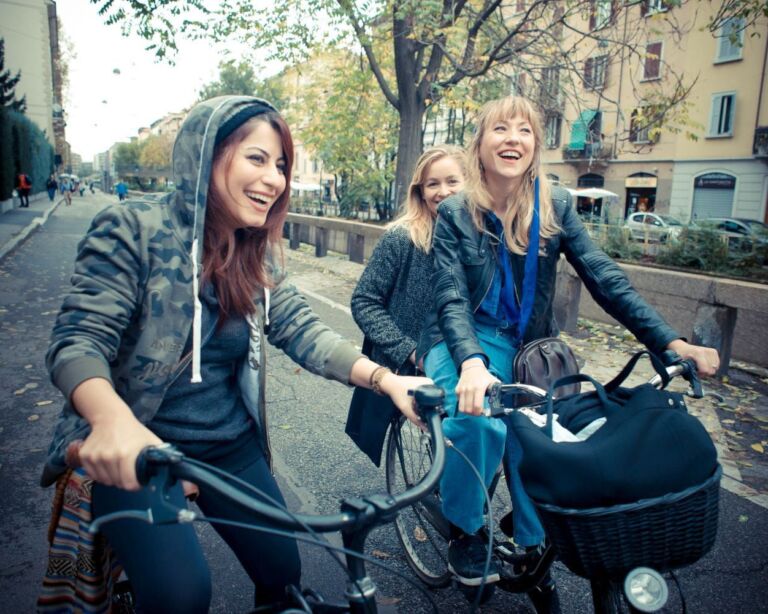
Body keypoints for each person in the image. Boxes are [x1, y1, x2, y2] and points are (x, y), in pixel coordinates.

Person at [40, 96, 429, 613]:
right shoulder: (132, 228)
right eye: (257, 158)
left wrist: (386, 379)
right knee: (181, 596)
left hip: (229, 446)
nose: (274, 179)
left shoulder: (256, 250)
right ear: (207, 153)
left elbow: (302, 329)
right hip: (142, 453)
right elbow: (78, 339)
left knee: (283, 573)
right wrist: (113, 424)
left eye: (282, 165)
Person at [417, 96, 720, 594]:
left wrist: (669, 342)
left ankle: (534, 533)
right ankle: (467, 531)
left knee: (561, 434)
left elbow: (604, 277)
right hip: (464, 338)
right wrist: (470, 364)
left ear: (536, 146)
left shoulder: (554, 205)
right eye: (500, 129)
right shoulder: (455, 211)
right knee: (478, 425)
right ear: (480, 143)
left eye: (524, 130)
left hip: (531, 344)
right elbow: (450, 298)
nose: (512, 138)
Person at [347, 145, 466, 463]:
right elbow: (364, 301)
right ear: (421, 191)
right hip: (410, 360)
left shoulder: (477, 243)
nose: (443, 192)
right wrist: (409, 350)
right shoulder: (401, 239)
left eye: (453, 181)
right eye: (433, 184)